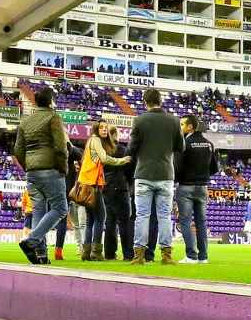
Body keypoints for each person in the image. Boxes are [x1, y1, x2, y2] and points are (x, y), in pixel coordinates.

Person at [13, 85, 69, 264]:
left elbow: (17, 150)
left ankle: (41, 255)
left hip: (32, 173)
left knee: (39, 210)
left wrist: (28, 166)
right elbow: (61, 147)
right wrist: (63, 168)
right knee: (60, 209)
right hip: (50, 170)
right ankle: (31, 241)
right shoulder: (53, 117)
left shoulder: (25, 122)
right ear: (51, 101)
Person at [128, 89, 184, 265]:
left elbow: (131, 149)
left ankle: (139, 256)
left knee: (142, 216)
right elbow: (180, 147)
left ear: (145, 102)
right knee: (164, 216)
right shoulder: (174, 121)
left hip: (144, 173)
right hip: (166, 174)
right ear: (161, 101)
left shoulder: (139, 120)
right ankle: (166, 255)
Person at [77, 121, 131, 260]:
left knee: (91, 220)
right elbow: (104, 158)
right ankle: (96, 252)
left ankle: (86, 252)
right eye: (101, 127)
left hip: (88, 182)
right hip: (95, 184)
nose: (104, 130)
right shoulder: (96, 141)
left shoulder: (90, 141)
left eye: (106, 128)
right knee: (101, 218)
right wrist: (122, 160)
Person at [174, 115, 217, 264]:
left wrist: (181, 179)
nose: (180, 128)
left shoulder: (184, 143)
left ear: (190, 127)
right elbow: (214, 168)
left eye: (182, 125)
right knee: (201, 222)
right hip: (203, 187)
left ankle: (191, 256)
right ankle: (203, 256)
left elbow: (177, 167)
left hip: (186, 186)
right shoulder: (209, 144)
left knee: (185, 221)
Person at [102, 132, 135, 261]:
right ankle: (127, 253)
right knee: (124, 222)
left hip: (106, 187)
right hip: (120, 187)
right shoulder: (123, 150)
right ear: (116, 136)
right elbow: (130, 170)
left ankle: (109, 253)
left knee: (109, 222)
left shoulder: (103, 150)